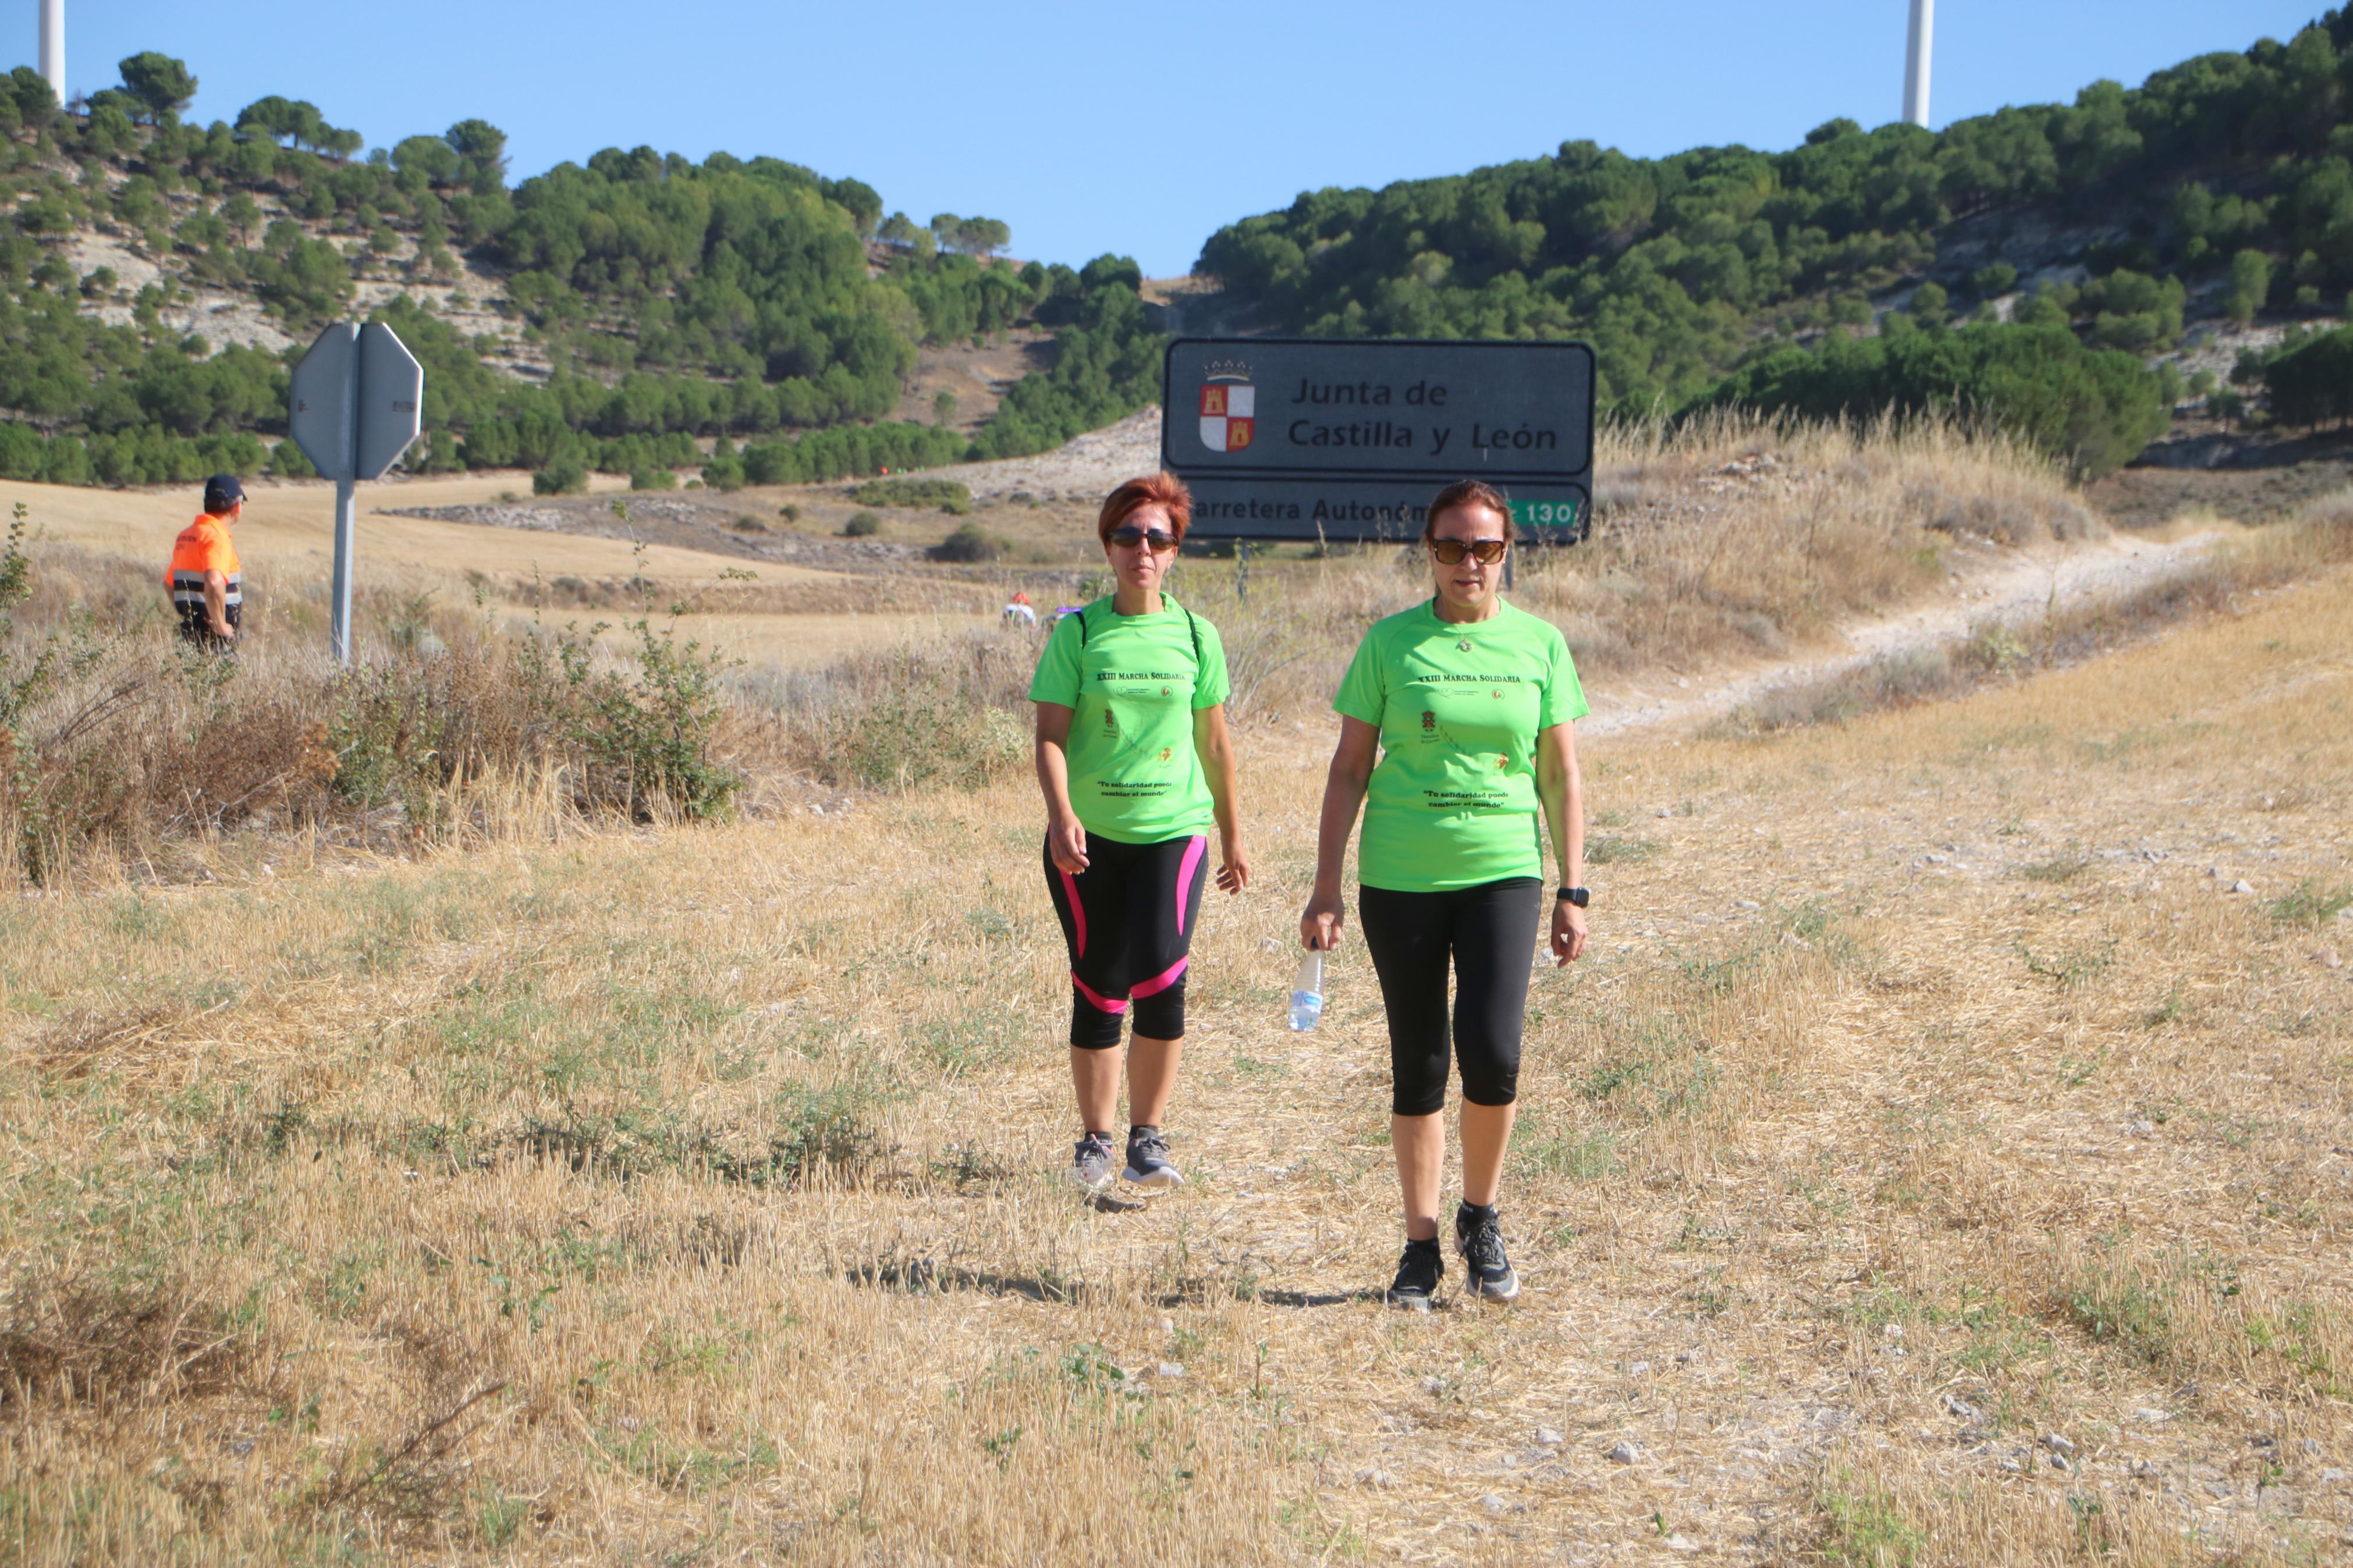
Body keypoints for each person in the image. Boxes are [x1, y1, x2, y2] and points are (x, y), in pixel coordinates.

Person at [1299, 479, 1591, 1310]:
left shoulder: (1539, 644)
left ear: (1506, 553)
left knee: (1493, 1051)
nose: (1469, 562)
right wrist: (1324, 884)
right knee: (1419, 1059)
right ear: (1426, 551)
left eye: (1486, 547)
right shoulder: (1389, 644)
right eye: (1452, 546)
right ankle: (1419, 1246)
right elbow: (1349, 767)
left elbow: (1560, 772)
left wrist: (1573, 885)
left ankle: (1480, 1215)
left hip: (1503, 869)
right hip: (1399, 877)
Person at [1031, 474, 1250, 1193]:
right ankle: (1093, 1142)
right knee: (1099, 984)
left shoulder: (1195, 634)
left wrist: (1234, 834)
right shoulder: (1080, 631)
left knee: (1161, 975)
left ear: (1176, 550)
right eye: (1127, 535)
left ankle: (1145, 1140)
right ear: (1107, 544)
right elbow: (1050, 738)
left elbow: (1214, 746)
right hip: (1087, 839)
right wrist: (1062, 815)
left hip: (1175, 832)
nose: (1142, 550)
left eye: (1157, 537)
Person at [168, 474, 245, 650]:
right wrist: (220, 625)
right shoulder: (217, 537)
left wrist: (188, 616)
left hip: (191, 636)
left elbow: (169, 584)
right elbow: (214, 580)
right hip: (216, 641)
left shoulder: (188, 535)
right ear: (237, 506)